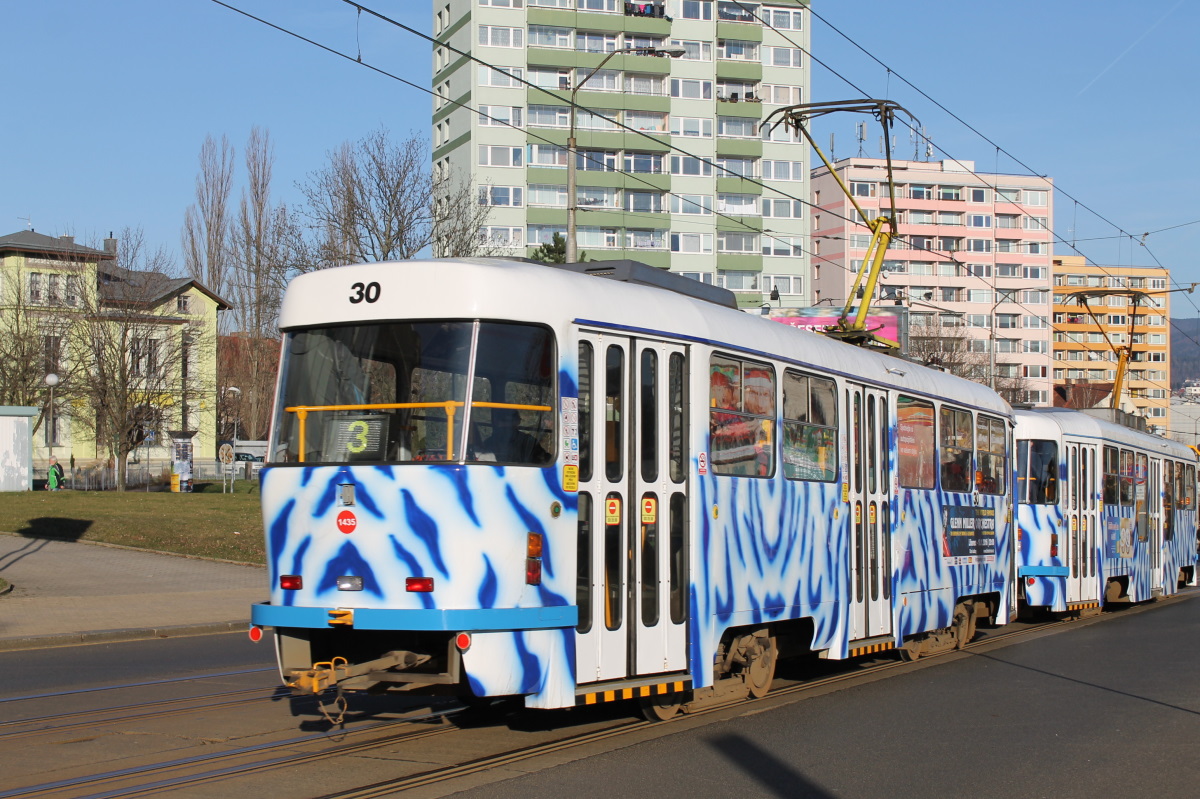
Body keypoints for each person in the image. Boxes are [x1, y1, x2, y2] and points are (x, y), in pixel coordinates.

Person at [478, 409, 549, 464]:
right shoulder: (489, 443)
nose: (506, 425)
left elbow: (543, 460)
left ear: (517, 422)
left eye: (509, 421)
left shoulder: (528, 441)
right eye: (503, 421)